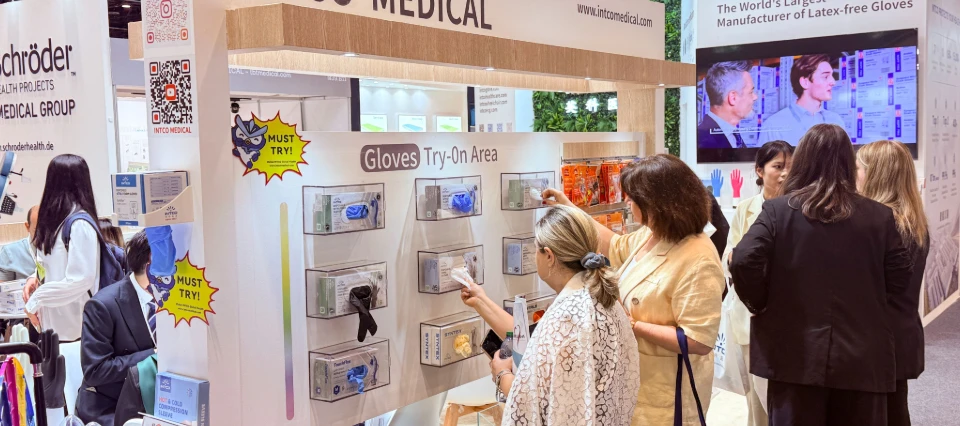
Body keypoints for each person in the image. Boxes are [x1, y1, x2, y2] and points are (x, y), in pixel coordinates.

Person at [731, 124, 913, 426]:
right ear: (848, 162)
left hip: (793, 357)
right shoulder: (879, 215)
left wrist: (761, 302)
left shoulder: (777, 210)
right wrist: (873, 303)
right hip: (862, 356)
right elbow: (900, 276)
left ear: (803, 160)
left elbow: (743, 259)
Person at [545, 154, 724, 425]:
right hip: (634, 383)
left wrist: (633, 325)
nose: (627, 203)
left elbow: (698, 341)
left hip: (667, 395)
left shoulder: (698, 258)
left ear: (656, 203)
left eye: (632, 198)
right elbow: (614, 245)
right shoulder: (653, 234)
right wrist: (569, 208)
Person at [459, 205, 640, 425]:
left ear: (549, 256)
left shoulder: (567, 317)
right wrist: (480, 301)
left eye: (536, 248)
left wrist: (502, 376)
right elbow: (536, 342)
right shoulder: (596, 297)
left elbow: (543, 405)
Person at [22, 154, 103, 419]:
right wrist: (35, 280)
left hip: (80, 335)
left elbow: (81, 279)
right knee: (55, 404)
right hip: (55, 333)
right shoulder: (56, 225)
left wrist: (38, 298)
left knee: (79, 405)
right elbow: (53, 269)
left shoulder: (80, 224)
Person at [720, 140, 793, 426]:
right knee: (757, 401)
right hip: (751, 318)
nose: (785, 173)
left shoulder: (800, 207)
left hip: (790, 317)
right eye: (778, 166)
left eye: (790, 166)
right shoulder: (746, 209)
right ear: (760, 171)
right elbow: (729, 256)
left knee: (789, 397)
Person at [856, 140, 929, 426]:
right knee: (895, 409)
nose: (854, 175)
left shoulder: (881, 226)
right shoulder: (913, 221)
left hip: (877, 341)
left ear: (876, 175)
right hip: (899, 334)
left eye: (859, 169)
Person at [77, 230, 156, 426]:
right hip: (111, 406)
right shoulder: (103, 305)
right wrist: (155, 355)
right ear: (150, 263)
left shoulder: (173, 300)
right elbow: (96, 371)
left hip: (157, 401)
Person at [758, 54, 845, 144]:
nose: (833, 82)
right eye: (825, 77)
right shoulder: (774, 125)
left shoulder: (836, 120)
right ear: (805, 82)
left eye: (832, 76)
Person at [698, 61, 758, 149]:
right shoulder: (704, 142)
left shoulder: (732, 134)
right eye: (751, 92)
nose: (755, 97)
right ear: (733, 98)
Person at [0, 206, 39, 280]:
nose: (45, 236)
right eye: (38, 231)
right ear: (28, 227)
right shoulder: (9, 252)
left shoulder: (61, 249)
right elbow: (3, 286)